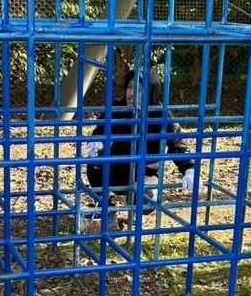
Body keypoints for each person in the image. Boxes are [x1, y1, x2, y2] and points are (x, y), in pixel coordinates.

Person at [81, 68, 198, 230]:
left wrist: (190, 168)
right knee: (94, 164)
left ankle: (138, 210)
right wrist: (94, 143)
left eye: (139, 89)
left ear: (151, 91)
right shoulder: (117, 108)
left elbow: (177, 145)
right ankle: (105, 209)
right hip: (117, 169)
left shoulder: (162, 115)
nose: (131, 93)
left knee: (145, 194)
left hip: (145, 172)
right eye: (130, 87)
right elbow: (99, 132)